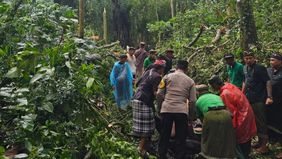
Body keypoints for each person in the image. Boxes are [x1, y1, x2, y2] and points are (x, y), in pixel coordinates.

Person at [209, 75, 257, 158]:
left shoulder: (225, 94)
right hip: (247, 112)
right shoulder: (230, 85)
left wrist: (232, 128)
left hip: (241, 116)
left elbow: (231, 113)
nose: (212, 88)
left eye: (212, 86)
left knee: (241, 140)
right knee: (246, 137)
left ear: (215, 84)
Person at [157, 60, 197, 159]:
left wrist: (159, 108)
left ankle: (161, 155)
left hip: (167, 109)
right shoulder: (190, 81)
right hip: (181, 111)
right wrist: (191, 117)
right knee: (181, 137)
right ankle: (179, 156)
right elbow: (192, 101)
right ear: (186, 69)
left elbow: (159, 94)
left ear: (176, 67)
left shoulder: (166, 77)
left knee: (164, 134)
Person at [131, 60, 166, 158]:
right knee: (147, 128)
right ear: (161, 68)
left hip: (136, 98)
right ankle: (140, 150)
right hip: (144, 101)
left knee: (146, 126)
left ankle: (145, 149)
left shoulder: (148, 71)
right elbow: (156, 92)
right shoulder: (157, 76)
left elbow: (137, 84)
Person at [242, 51, 273, 153]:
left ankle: (264, 146)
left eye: (250, 58)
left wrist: (269, 96)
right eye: (246, 58)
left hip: (259, 99)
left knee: (261, 122)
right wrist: (242, 94)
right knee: (255, 121)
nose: (248, 60)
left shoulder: (260, 68)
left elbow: (267, 81)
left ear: (254, 58)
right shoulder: (245, 68)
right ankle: (259, 142)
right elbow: (245, 81)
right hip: (249, 98)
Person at [195, 84, 236, 159]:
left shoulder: (198, 101)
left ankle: (210, 156)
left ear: (197, 93)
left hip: (210, 115)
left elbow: (200, 118)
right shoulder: (217, 96)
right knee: (226, 136)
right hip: (226, 114)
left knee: (209, 138)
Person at [266, 53, 282, 159]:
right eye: (270, 60)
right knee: (272, 121)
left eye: (274, 60)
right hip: (270, 102)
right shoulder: (267, 71)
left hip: (280, 102)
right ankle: (274, 139)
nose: (272, 62)